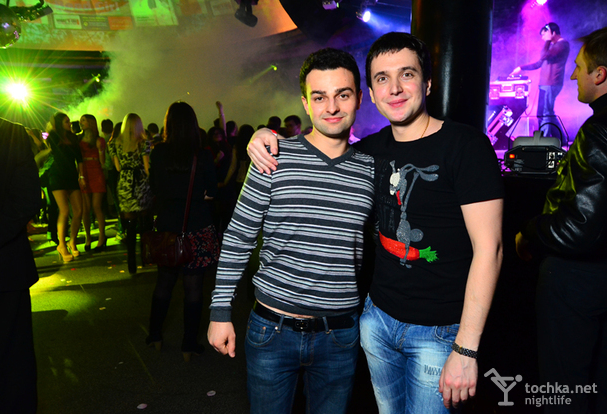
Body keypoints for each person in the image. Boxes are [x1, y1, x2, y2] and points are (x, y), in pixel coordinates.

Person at [247, 32, 504, 413]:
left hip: (438, 334)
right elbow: (321, 157)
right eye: (383, 78)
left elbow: (490, 250)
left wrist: (466, 348)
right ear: (370, 91)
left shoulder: (466, 146)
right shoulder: (368, 152)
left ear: (428, 83)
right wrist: (265, 137)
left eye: (407, 74)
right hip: (376, 323)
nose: (395, 88)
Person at [208, 48, 375, 414]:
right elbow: (239, 235)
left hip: (340, 335)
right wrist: (220, 311)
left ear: (359, 98)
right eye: (320, 97)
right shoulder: (272, 155)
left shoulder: (371, 168)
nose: (332, 107)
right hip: (272, 331)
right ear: (305, 103)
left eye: (342, 95)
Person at [515, 27, 607, 414]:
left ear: (600, 75)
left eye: (580, 68)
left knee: (564, 390)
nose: (573, 75)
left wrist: (531, 232)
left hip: (578, 281)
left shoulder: (598, 132)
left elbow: (582, 227)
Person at [0, 64, 39, 414]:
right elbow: (26, 202)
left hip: (3, 271)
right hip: (2, 269)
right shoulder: (10, 134)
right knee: (14, 368)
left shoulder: (10, 133)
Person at [146, 101, 218, 360]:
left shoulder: (158, 153)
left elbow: (154, 187)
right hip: (195, 227)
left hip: (168, 228)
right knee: (194, 287)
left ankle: (155, 335)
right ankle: (189, 344)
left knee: (164, 283)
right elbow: (213, 191)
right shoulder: (203, 155)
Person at [511, 22, 570, 140]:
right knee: (546, 113)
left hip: (552, 83)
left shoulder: (562, 45)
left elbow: (544, 54)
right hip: (545, 84)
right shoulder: (553, 47)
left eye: (544, 34)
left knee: (545, 113)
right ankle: (562, 139)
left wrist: (548, 41)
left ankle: (544, 140)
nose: (543, 38)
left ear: (553, 32)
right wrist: (521, 68)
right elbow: (538, 64)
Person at [111, 113, 153, 274]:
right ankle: (145, 257)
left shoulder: (116, 143)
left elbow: (117, 168)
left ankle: (131, 262)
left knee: (130, 225)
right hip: (140, 182)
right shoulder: (143, 143)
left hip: (125, 182)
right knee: (145, 224)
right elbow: (147, 168)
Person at [47, 112, 84, 262]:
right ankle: (61, 245)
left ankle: (72, 241)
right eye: (66, 122)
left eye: (69, 121)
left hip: (71, 175)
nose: (69, 124)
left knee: (79, 210)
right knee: (64, 210)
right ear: (59, 124)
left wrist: (81, 176)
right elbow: (50, 149)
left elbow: (79, 159)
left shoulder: (73, 138)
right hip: (57, 175)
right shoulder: (53, 136)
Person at [78, 114, 107, 252]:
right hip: (84, 172)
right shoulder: (78, 139)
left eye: (83, 120)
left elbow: (103, 162)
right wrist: (80, 175)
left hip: (96, 171)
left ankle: (102, 237)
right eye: (81, 120)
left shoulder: (99, 139)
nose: (81, 122)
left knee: (96, 206)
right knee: (85, 208)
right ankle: (88, 237)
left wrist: (101, 150)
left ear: (90, 122)